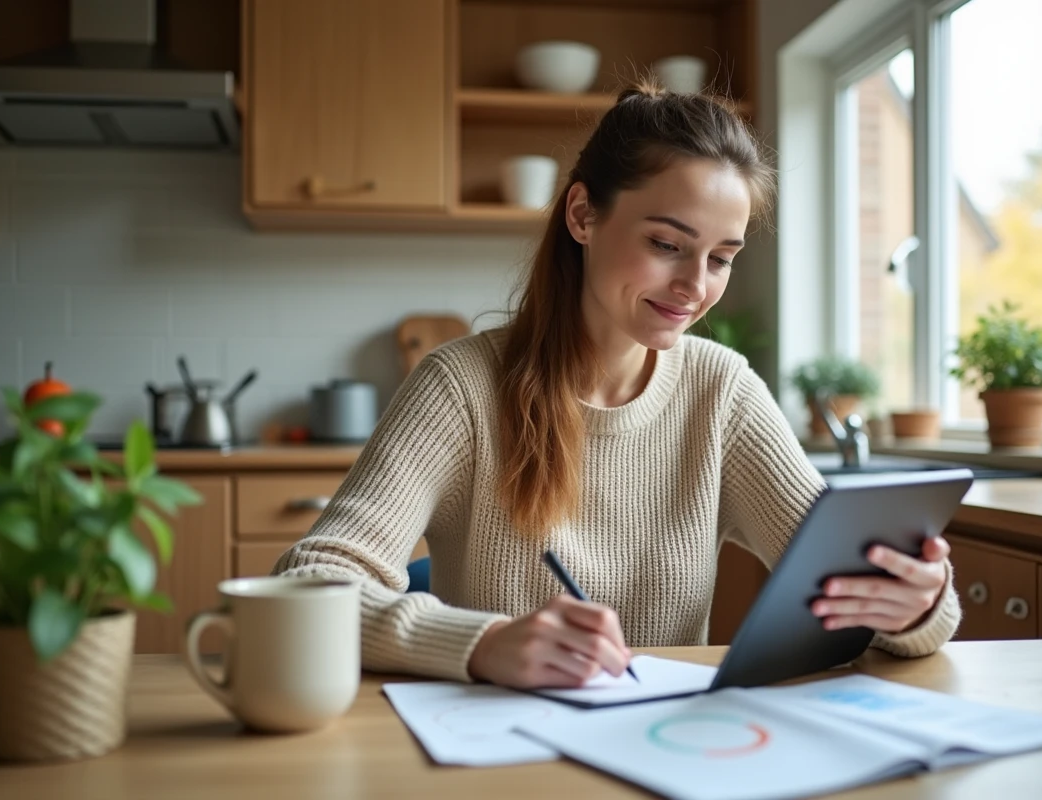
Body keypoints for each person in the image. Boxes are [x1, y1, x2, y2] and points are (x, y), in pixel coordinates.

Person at [273, 80, 961, 690]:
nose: (694, 287)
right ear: (582, 215)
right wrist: (481, 644)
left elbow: (876, 596)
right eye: (667, 245)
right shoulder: (461, 387)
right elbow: (307, 582)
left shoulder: (721, 392)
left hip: (667, 752)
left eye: (721, 258)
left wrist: (915, 604)